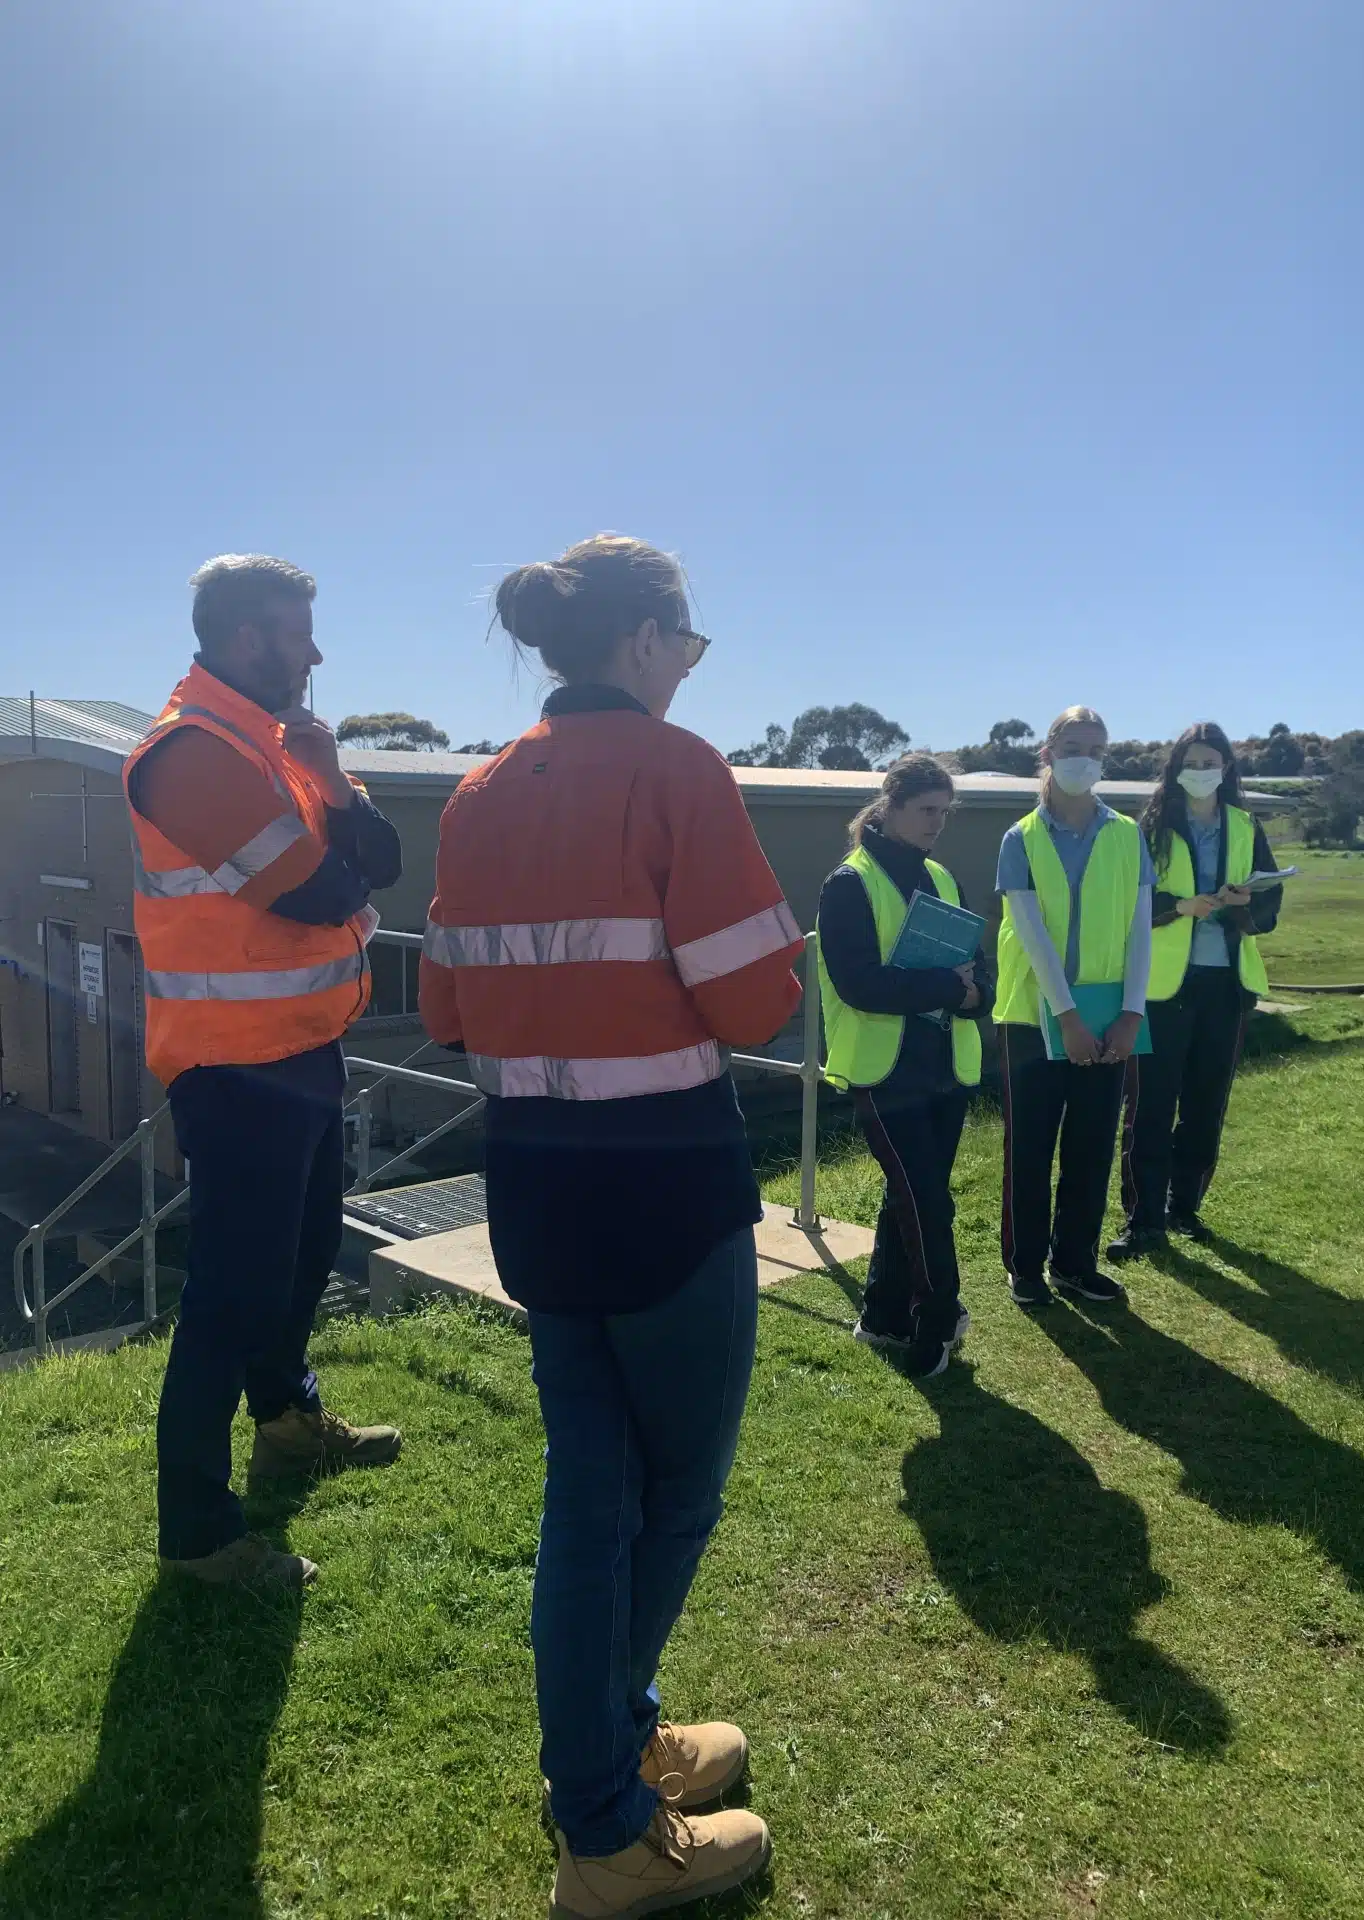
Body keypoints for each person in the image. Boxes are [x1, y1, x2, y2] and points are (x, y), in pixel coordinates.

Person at [419, 535, 801, 1919]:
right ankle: (602, 1819)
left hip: (534, 1186)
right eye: (687, 643)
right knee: (668, 1497)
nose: (689, 667)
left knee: (589, 1493)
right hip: (664, 1192)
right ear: (644, 638)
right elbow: (755, 1003)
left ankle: (613, 1746)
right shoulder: (677, 770)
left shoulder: (475, 794)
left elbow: (444, 1010)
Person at [124, 555, 404, 1593]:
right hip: (234, 1066)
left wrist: (330, 779)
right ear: (246, 638)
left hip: (303, 1048)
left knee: (304, 1254)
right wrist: (342, 866)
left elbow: (381, 863)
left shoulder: (280, 745)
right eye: (297, 633)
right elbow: (319, 890)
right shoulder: (188, 752)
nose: (315, 652)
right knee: (232, 1293)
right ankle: (197, 1537)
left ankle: (287, 1423)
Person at [815, 754, 991, 1378]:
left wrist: (975, 995)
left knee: (911, 1195)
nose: (936, 823)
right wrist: (948, 987)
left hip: (946, 1065)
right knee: (926, 1200)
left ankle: (883, 1315)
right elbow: (860, 984)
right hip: (885, 1071)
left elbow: (978, 968)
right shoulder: (848, 883)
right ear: (888, 806)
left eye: (944, 811)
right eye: (925, 810)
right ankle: (940, 1317)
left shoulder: (942, 877)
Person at [993, 706, 1154, 1308]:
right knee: (1030, 1148)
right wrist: (1067, 1019)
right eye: (1072, 748)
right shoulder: (1021, 839)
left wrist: (1132, 1012)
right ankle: (1026, 1266)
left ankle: (1075, 1264)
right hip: (1035, 1019)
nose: (1083, 760)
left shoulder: (1127, 834)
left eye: (1095, 750)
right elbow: (1031, 933)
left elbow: (1140, 930)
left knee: (1091, 1146)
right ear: (1048, 754)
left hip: (1110, 1017)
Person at [1110, 723, 1284, 1257]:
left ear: (1227, 769)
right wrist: (1179, 906)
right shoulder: (1151, 827)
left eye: (1212, 763)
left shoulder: (1245, 826)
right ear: (1176, 768)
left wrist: (1244, 904)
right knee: (1150, 1105)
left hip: (1226, 985)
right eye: (1193, 762)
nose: (1203, 772)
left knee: (1206, 1106)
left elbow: (1270, 902)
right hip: (1162, 989)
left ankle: (1183, 1207)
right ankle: (1142, 1218)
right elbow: (1126, 898)